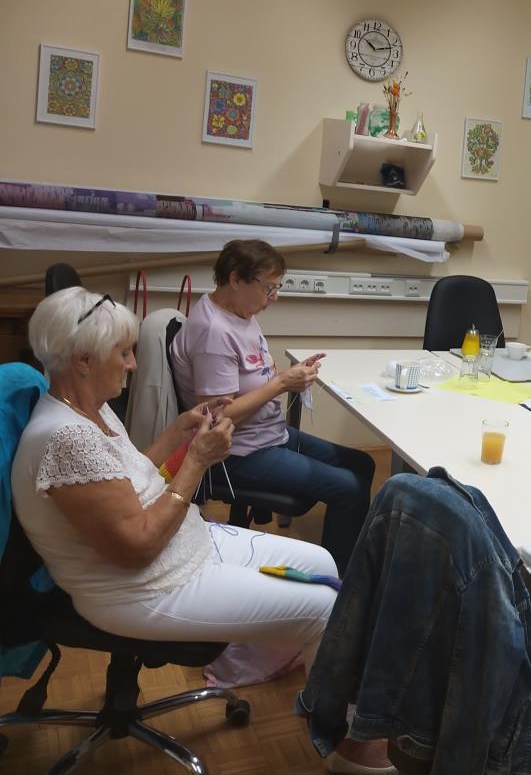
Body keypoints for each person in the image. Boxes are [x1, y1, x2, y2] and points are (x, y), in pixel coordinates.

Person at [11, 287, 393, 774]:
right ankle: (348, 749)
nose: (132, 363)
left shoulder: (88, 407)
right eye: (123, 353)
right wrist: (196, 461)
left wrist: (180, 430)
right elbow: (138, 547)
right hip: (138, 587)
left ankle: (280, 671)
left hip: (179, 546)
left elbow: (128, 476)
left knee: (322, 563)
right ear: (83, 360)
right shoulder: (66, 438)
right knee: (325, 608)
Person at [170, 240, 374, 574]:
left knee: (362, 464)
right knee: (349, 488)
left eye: (277, 287)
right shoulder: (213, 332)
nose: (274, 297)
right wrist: (281, 384)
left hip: (267, 434)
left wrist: (289, 376)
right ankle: (341, 585)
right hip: (237, 453)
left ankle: (354, 557)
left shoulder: (241, 314)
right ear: (236, 279)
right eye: (269, 288)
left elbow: (254, 379)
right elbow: (215, 420)